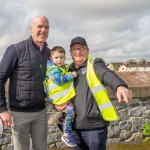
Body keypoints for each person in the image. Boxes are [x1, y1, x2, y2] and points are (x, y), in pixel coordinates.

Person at [55, 36, 132, 150]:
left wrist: (119, 86)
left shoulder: (94, 63)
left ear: (87, 50)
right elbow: (55, 90)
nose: (78, 51)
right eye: (74, 49)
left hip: (94, 127)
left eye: (81, 48)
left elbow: (106, 73)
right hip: (74, 127)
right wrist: (56, 105)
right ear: (70, 52)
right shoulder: (66, 70)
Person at [0, 15, 50, 150]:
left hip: (41, 112)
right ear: (31, 28)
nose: (43, 30)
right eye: (39, 26)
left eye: (46, 27)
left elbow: (54, 81)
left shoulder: (50, 54)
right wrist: (2, 109)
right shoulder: (16, 49)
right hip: (19, 113)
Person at [44, 46, 77, 147]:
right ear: (51, 59)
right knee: (71, 111)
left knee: (69, 111)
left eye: (61, 57)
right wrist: (72, 75)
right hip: (57, 98)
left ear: (65, 58)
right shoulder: (52, 69)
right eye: (56, 58)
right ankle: (67, 134)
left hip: (61, 97)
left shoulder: (61, 67)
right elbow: (59, 80)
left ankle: (60, 121)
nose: (59, 60)